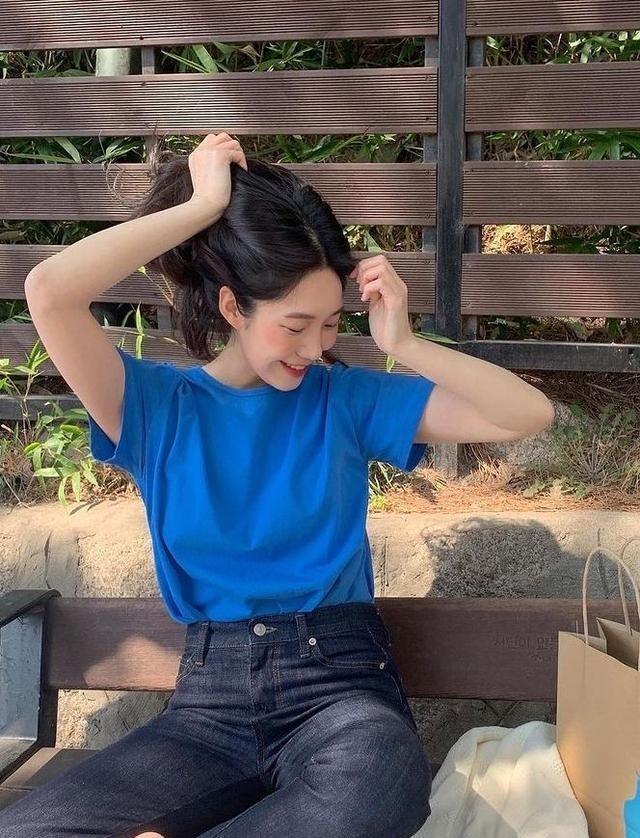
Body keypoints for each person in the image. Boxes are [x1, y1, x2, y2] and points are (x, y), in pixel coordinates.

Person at [3, 133, 555, 838]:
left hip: (342, 692)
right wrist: (202, 206)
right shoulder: (154, 409)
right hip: (208, 708)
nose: (316, 348)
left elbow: (525, 414)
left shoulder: (345, 401)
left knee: (378, 786)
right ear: (234, 307)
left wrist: (405, 345)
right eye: (295, 325)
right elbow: (49, 292)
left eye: (329, 325)